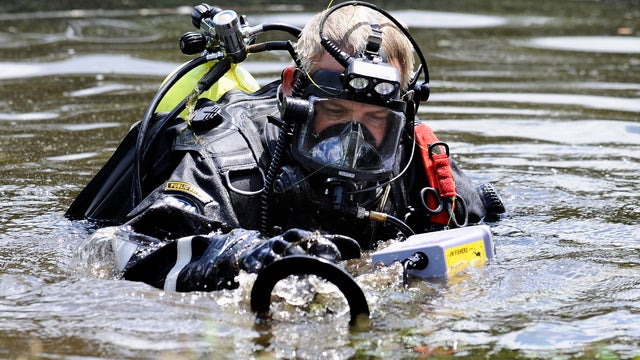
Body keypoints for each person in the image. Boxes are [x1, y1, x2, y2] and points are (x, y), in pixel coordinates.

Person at [67, 2, 504, 293]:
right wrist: (236, 256)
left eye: (374, 120)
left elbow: (498, 227)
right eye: (335, 111)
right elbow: (123, 249)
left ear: (404, 115)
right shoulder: (229, 156)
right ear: (294, 89)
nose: (354, 137)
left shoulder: (415, 162)